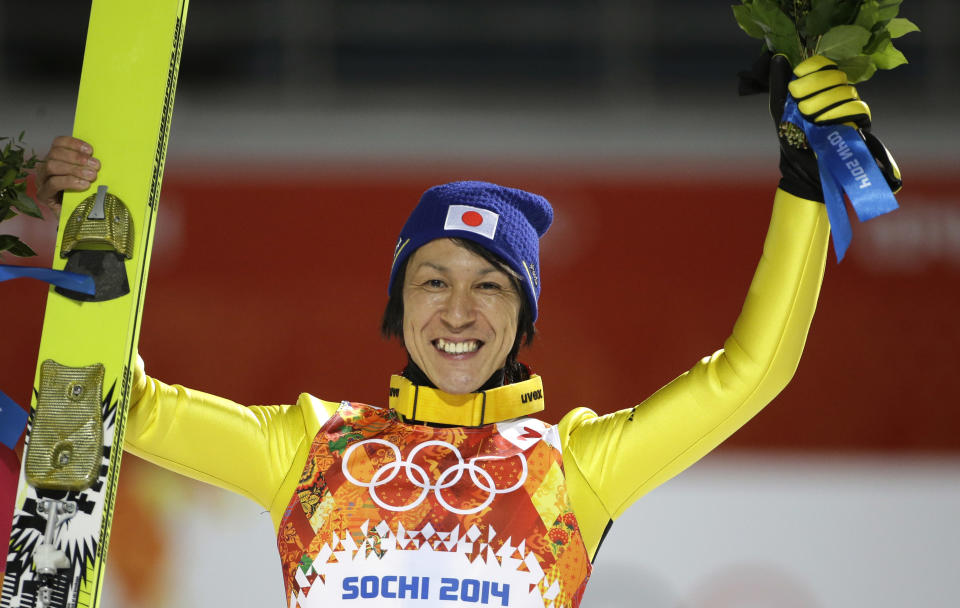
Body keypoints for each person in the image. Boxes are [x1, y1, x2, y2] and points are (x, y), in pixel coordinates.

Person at [35, 55, 899, 607]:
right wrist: (86, 223)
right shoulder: (309, 451)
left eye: (490, 287)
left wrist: (803, 185)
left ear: (523, 317)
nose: (458, 310)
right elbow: (115, 408)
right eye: (433, 281)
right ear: (398, 305)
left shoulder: (574, 471)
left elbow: (751, 373)